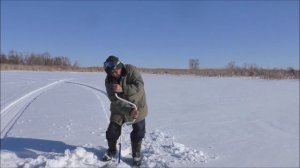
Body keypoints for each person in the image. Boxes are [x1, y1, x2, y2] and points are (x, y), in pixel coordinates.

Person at [102, 55, 148, 166]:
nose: (116, 73)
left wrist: (123, 89)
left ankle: (136, 154)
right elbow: (114, 100)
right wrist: (128, 111)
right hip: (119, 109)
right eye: (112, 72)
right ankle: (112, 150)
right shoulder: (109, 81)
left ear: (120, 65)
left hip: (137, 106)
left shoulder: (131, 70)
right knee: (112, 131)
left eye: (117, 69)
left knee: (139, 131)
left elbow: (140, 87)